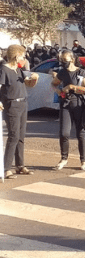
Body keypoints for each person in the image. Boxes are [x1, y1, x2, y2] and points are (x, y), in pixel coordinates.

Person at [1, 44, 39, 179]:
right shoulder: (4, 69)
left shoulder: (19, 70)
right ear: (16, 56)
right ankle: (6, 168)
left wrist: (35, 78)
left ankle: (20, 165)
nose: (24, 59)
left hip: (23, 102)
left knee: (21, 136)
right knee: (13, 136)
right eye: (22, 56)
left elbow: (28, 83)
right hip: (12, 104)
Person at [50, 50, 85, 171]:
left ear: (72, 59)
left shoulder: (81, 72)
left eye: (65, 60)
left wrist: (73, 87)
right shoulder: (62, 72)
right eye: (61, 60)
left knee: (81, 133)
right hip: (66, 104)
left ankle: (83, 161)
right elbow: (53, 84)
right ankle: (64, 159)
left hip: (79, 104)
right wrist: (58, 91)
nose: (63, 63)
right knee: (64, 133)